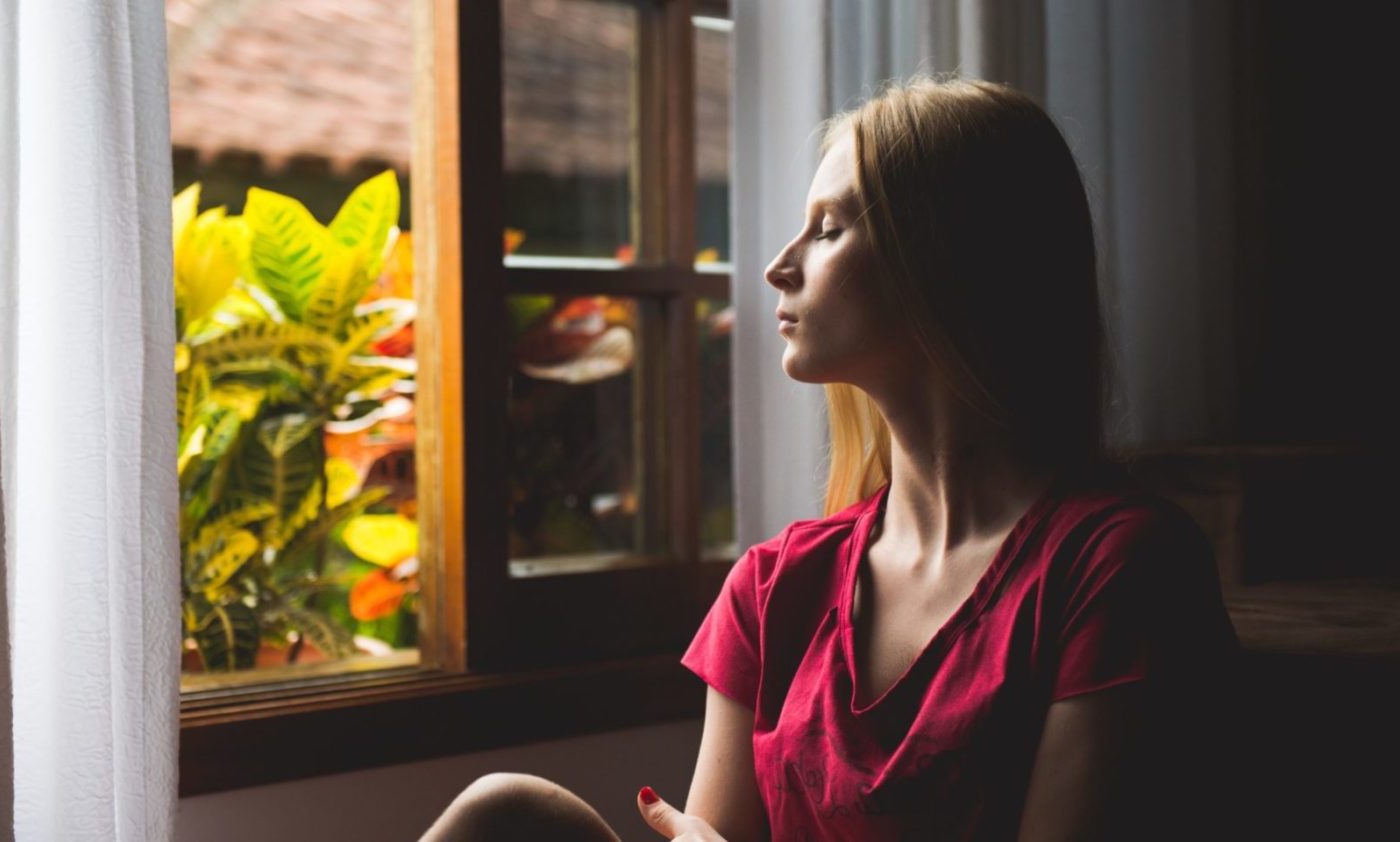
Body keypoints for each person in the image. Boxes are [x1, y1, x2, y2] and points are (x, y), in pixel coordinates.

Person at [419, 75, 1242, 842]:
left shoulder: (1118, 569)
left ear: (946, 260)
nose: (779, 267)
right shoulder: (778, 588)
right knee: (506, 811)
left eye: (827, 229)